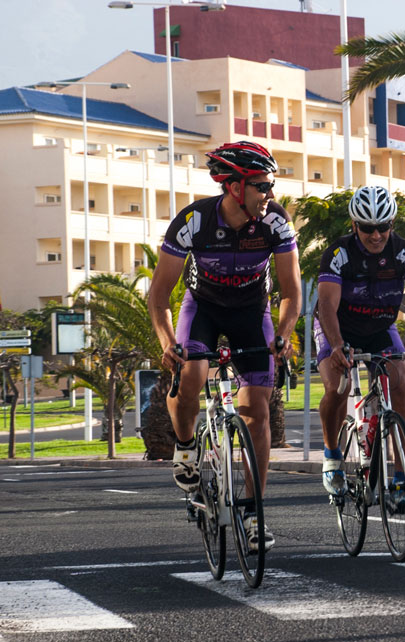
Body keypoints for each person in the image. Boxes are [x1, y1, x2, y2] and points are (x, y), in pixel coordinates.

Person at [148, 140, 301, 550]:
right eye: (262, 186)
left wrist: (283, 333)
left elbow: (291, 291)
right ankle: (186, 447)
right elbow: (159, 296)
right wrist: (168, 342)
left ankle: (253, 513)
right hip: (204, 309)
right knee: (192, 374)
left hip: (252, 312)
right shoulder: (193, 221)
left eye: (270, 185)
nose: (270, 193)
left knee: (257, 411)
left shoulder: (275, 222)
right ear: (235, 187)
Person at [315, 185, 405, 503]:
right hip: (338, 329)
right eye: (367, 228)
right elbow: (327, 305)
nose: (376, 235)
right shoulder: (339, 254)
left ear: (392, 223)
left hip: (380, 328)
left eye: (383, 226)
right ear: (354, 225)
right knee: (338, 387)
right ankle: (332, 455)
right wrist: (337, 345)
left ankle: (401, 475)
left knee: (401, 383)